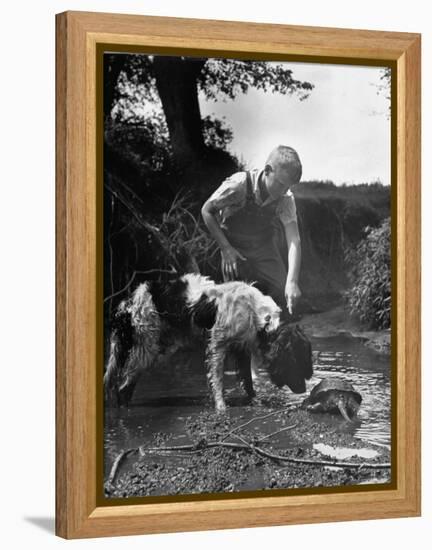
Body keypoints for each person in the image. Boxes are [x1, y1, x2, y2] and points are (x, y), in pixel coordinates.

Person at [201, 145, 302, 320]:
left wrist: (292, 281)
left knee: (281, 292)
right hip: (234, 247)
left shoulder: (286, 198)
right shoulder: (239, 184)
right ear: (268, 170)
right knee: (235, 300)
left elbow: (294, 240)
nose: (283, 191)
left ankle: (272, 337)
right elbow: (206, 211)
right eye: (280, 184)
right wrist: (225, 248)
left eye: (288, 187)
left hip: (264, 246)